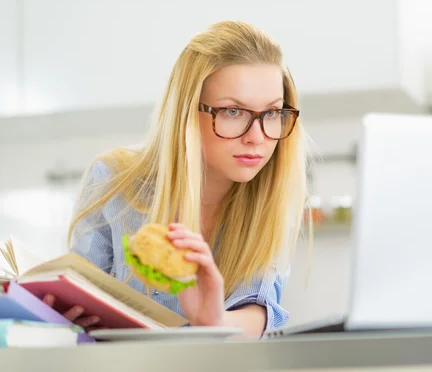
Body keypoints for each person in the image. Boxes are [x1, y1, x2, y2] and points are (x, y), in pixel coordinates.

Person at [42, 21, 311, 339]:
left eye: (271, 113)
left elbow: (261, 311)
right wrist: (63, 316)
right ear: (186, 112)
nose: (257, 137)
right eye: (232, 112)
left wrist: (213, 321)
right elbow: (78, 297)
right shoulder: (112, 181)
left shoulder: (274, 196)